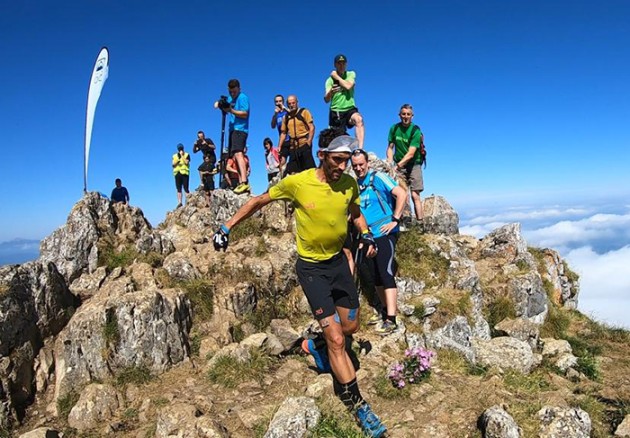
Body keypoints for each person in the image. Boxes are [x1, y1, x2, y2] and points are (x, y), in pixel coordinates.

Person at [212, 133, 387, 437]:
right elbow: (258, 201)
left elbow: (355, 213)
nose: (342, 167)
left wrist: (367, 233)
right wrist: (226, 227)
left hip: (337, 265)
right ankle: (359, 406)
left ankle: (312, 345)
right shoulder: (298, 182)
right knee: (336, 339)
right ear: (322, 154)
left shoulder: (348, 184)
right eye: (336, 160)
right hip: (311, 269)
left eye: (346, 161)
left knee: (351, 328)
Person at [351, 149, 407, 335]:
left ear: (367, 163)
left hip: (385, 231)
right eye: (355, 165)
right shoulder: (354, 186)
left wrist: (395, 220)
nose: (359, 168)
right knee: (374, 274)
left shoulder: (379, 178)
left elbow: (401, 194)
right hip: (368, 235)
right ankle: (384, 311)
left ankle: (391, 318)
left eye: (361, 164)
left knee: (385, 271)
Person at [386, 104, 425, 220]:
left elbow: (411, 153)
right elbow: (390, 147)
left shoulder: (415, 130)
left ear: (412, 116)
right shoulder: (394, 128)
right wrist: (389, 163)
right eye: (403, 114)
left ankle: (420, 223)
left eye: (408, 114)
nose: (406, 117)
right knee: (400, 193)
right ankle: (402, 221)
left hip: (414, 164)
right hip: (398, 164)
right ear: (399, 115)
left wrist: (396, 167)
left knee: (415, 195)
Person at [324, 54, 365, 149]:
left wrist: (336, 77)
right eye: (339, 63)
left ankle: (360, 149)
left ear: (346, 64)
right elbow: (326, 99)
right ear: (335, 65)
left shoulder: (351, 74)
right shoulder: (329, 80)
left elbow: (348, 86)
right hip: (336, 111)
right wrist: (331, 91)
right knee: (338, 139)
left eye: (343, 63)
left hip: (350, 108)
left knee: (359, 120)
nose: (341, 66)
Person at [218, 79, 250, 194]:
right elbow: (221, 105)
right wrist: (221, 105)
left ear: (239, 89)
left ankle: (244, 182)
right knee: (234, 156)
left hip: (240, 129)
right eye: (231, 92)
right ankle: (242, 182)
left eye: (234, 92)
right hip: (232, 130)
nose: (232, 94)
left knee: (238, 153)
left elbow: (245, 113)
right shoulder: (231, 98)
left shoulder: (243, 97)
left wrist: (231, 110)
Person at [277, 95, 316, 176]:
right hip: (293, 147)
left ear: (297, 102)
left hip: (304, 144)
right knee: (292, 172)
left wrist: (309, 142)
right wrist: (279, 146)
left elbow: (311, 127)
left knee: (310, 171)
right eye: (289, 103)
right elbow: (283, 133)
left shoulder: (304, 112)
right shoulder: (286, 117)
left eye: (293, 103)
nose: (291, 105)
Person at [172, 143, 190, 208]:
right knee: (178, 189)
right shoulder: (174, 156)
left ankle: (188, 201)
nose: (180, 150)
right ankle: (180, 202)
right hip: (177, 173)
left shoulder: (187, 155)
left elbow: (186, 162)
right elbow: (173, 165)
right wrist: (178, 160)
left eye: (181, 148)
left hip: (185, 173)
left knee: (186, 188)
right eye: (179, 149)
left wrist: (182, 156)